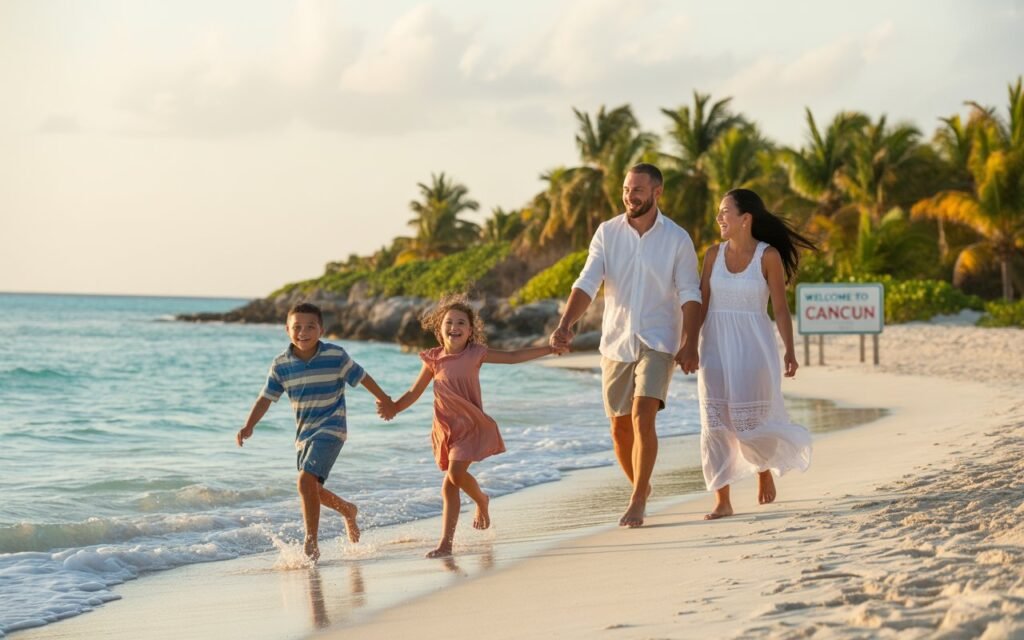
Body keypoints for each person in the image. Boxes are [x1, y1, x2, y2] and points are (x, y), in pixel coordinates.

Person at [549, 163, 702, 528]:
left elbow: (690, 293)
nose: (629, 196)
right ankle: (641, 486)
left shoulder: (677, 239)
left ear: (656, 192)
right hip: (616, 341)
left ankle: (636, 501)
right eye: (625, 189)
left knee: (642, 415)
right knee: (619, 428)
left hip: (658, 339)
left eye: (637, 190)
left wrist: (690, 341)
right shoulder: (607, 233)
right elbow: (587, 282)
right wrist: (565, 324)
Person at [377, 294, 556, 557]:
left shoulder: (476, 354)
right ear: (440, 329)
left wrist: (549, 349)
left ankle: (481, 500)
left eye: (461, 323)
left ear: (471, 331)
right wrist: (394, 407)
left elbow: (514, 355)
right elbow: (413, 393)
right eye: (449, 322)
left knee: (456, 476)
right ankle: (446, 544)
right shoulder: (433, 359)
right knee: (449, 485)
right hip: (446, 428)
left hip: (471, 425)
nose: (455, 327)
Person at [236, 302, 393, 560]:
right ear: (287, 330)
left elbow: (362, 376)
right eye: (297, 327)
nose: (303, 332)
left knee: (304, 481)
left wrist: (384, 399)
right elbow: (265, 398)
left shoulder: (336, 356)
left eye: (310, 327)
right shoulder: (281, 365)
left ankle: (311, 542)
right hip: (304, 435)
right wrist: (249, 424)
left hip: (333, 428)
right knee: (310, 489)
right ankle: (348, 510)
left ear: (321, 330)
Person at [698, 188, 816, 520]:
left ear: (745, 219)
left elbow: (779, 309)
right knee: (715, 422)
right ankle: (722, 500)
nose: (719, 218)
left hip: (754, 347)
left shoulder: (768, 257)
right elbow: (702, 304)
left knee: (751, 421)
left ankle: (763, 469)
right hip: (715, 346)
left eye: (725, 212)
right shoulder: (711, 255)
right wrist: (687, 343)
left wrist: (790, 351)